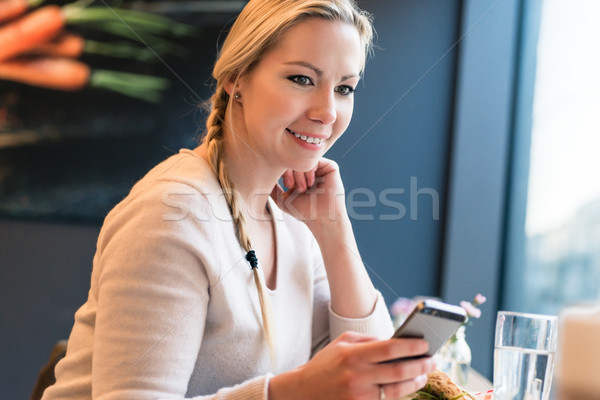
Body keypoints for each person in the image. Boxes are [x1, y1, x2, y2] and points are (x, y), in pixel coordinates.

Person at [42, 0, 436, 399]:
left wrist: (334, 232)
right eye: (301, 79)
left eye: (344, 88)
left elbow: (382, 386)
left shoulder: (294, 222)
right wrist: (292, 391)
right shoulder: (172, 214)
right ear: (236, 78)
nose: (327, 111)